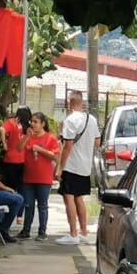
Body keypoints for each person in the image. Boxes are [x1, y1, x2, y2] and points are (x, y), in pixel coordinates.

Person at [56, 90, 101, 245]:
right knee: (79, 198)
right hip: (85, 166)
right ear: (82, 103)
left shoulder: (70, 121)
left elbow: (67, 146)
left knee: (68, 198)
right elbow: (97, 143)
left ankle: (73, 234)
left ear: (69, 103)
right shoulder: (92, 120)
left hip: (72, 165)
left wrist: (60, 168)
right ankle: (83, 232)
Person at [18, 113, 60, 241]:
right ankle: (26, 230)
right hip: (29, 177)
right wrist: (27, 137)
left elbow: (55, 156)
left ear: (43, 124)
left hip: (43, 177)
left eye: (36, 122)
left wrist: (40, 150)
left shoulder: (50, 138)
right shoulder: (28, 136)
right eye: (32, 122)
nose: (33, 124)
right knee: (28, 205)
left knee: (42, 205)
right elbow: (19, 148)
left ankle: (42, 232)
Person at [0, 106, 31, 192]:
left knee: (10, 187)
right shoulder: (28, 125)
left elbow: (1, 129)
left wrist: (4, 143)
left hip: (10, 159)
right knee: (22, 186)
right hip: (23, 160)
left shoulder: (11, 122)